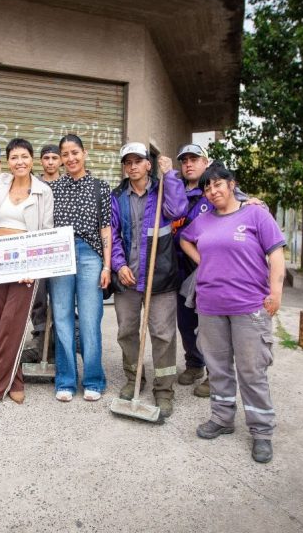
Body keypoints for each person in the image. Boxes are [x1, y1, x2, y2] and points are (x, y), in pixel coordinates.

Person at [179, 162, 285, 464]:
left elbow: (276, 254)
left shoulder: (256, 214)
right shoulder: (205, 220)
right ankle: (222, 419)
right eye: (207, 188)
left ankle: (262, 432)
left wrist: (275, 293)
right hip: (211, 305)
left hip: (249, 306)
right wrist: (205, 262)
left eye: (217, 185)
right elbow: (185, 238)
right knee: (219, 367)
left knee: (252, 370)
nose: (212, 191)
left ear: (231, 184)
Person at [110, 143, 188, 417]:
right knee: (126, 332)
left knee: (163, 335)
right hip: (128, 279)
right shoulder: (118, 196)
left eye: (138, 161)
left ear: (148, 165)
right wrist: (118, 266)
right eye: (127, 162)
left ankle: (164, 389)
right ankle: (134, 378)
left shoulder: (163, 189)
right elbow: (113, 235)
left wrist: (171, 176)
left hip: (161, 278)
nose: (132, 166)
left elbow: (178, 210)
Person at [0, 138, 54, 410]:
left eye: (24, 156)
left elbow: (46, 231)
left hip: (26, 261)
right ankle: (16, 380)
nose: (19, 162)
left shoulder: (43, 191)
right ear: (7, 162)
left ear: (31, 159)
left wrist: (34, 267)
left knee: (14, 321)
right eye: (14, 157)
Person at [47, 134, 112, 402]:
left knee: (89, 318)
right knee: (61, 316)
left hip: (90, 255)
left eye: (75, 152)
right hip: (59, 252)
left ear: (84, 153)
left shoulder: (100, 187)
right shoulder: (53, 189)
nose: (70, 158)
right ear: (60, 160)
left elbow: (105, 228)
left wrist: (107, 265)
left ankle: (94, 379)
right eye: (65, 154)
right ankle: (65, 380)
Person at [21, 143, 62, 364]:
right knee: (37, 296)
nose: (50, 162)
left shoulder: (66, 184)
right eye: (46, 158)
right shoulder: (32, 184)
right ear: (40, 161)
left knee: (60, 296)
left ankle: (58, 342)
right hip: (36, 247)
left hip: (60, 249)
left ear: (61, 161)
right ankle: (40, 340)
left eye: (55, 158)